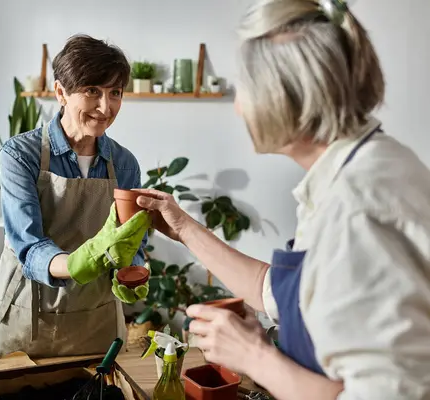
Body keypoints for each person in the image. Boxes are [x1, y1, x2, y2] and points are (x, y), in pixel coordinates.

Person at [134, 0, 430, 399]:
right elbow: (274, 289)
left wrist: (256, 357)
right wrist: (184, 228)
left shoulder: (357, 207)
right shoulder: (357, 167)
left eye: (247, 89)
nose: (239, 106)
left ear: (290, 94)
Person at [0, 35, 151, 361]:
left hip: (96, 317)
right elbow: (29, 247)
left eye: (115, 93)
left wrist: (133, 271)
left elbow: (132, 242)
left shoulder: (124, 164)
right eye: (92, 91)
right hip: (29, 315)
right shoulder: (21, 155)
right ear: (61, 92)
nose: (106, 107)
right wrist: (77, 262)